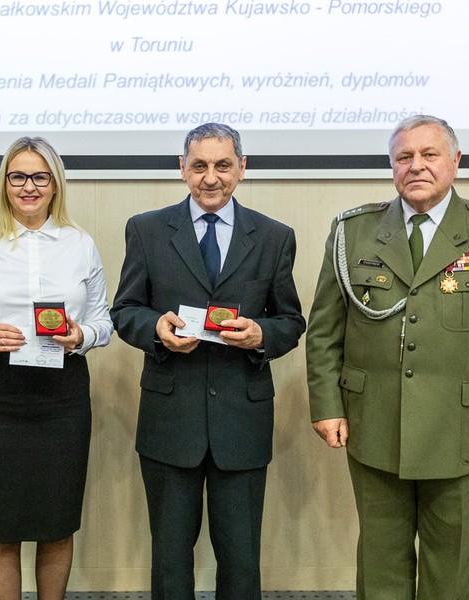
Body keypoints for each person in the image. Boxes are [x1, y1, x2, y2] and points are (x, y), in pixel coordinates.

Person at [305, 114, 469, 599]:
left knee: (452, 570)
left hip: (463, 432)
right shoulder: (353, 232)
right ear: (392, 167)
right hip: (374, 425)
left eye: (429, 155)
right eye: (403, 157)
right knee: (380, 567)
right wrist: (327, 403)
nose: (415, 166)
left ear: (455, 161)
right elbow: (325, 331)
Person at [110, 123, 306, 599]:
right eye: (199, 166)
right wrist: (156, 329)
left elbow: (292, 321)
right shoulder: (147, 229)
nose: (211, 177)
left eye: (222, 165)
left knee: (241, 563)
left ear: (242, 168)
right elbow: (124, 310)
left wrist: (261, 335)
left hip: (242, 420)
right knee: (170, 561)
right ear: (182, 169)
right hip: (169, 420)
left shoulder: (275, 237)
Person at [0, 136, 113, 599]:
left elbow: (104, 321)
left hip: (63, 396)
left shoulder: (80, 244)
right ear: (5, 185)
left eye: (40, 176)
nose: (29, 186)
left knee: (57, 525)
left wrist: (83, 336)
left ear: (55, 185)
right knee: (0, 526)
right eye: (18, 177)